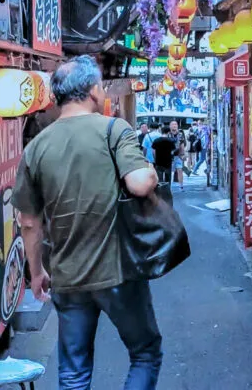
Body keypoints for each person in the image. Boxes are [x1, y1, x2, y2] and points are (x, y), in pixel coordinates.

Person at [13, 55, 163, 390]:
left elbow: (28, 222)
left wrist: (36, 272)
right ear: (94, 91)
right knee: (145, 353)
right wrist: (151, 171)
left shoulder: (36, 147)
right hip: (118, 272)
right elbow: (139, 183)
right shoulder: (113, 130)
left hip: (67, 277)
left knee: (74, 372)